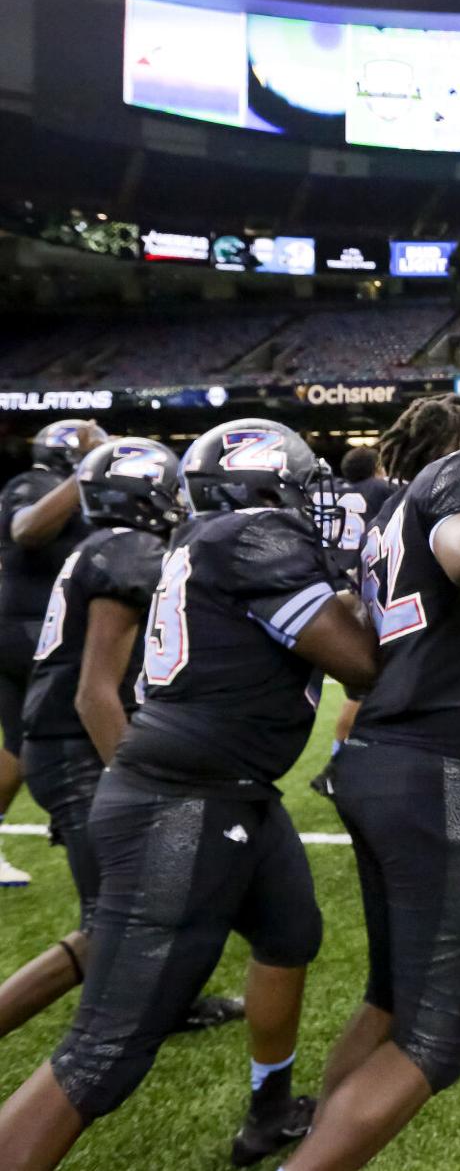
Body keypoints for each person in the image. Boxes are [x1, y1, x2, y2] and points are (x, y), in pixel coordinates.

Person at [0, 419, 380, 1171]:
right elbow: (362, 664)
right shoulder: (249, 539)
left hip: (233, 790)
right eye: (301, 484)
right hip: (185, 799)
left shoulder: (206, 540)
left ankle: (269, 1110)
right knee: (105, 1048)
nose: (315, 500)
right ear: (265, 489)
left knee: (290, 932)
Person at [285, 394, 460, 1171]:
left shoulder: (389, 511)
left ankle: (318, 1143)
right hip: (446, 770)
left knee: (390, 998)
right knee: (438, 1036)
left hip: (379, 756)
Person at [0, 437, 239, 1042]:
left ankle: (167, 1002)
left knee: (167, 895)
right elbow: (93, 694)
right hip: (78, 748)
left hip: (64, 741)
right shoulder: (130, 552)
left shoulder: (100, 545)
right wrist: (137, 780)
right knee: (107, 921)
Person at [0, 419, 106, 887]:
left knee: (22, 746)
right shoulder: (31, 484)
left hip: (46, 633)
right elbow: (27, 531)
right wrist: (85, 468)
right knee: (65, 737)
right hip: (31, 636)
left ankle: (75, 821)